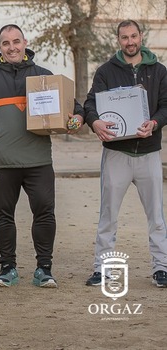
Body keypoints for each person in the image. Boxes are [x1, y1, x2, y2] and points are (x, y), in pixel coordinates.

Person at [0, 24, 84, 288]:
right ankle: (7, 268)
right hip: (2, 161)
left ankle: (44, 269)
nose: (12, 47)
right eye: (6, 43)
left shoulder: (43, 76)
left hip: (39, 160)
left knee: (45, 213)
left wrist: (76, 119)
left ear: (25, 43)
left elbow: (73, 107)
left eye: (16, 41)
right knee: (3, 215)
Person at [83, 20, 167, 288]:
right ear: (118, 40)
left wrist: (154, 123)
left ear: (141, 37)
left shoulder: (159, 71)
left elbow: (166, 106)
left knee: (156, 215)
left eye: (133, 36)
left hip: (149, 153)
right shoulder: (106, 71)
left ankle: (161, 268)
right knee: (108, 214)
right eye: (124, 37)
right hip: (116, 153)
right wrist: (94, 122)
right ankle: (102, 268)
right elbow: (90, 103)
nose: (129, 41)